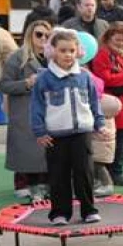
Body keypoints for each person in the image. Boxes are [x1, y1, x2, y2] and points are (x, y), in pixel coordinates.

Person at [31, 28, 104, 225]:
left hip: (82, 132)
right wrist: (39, 131)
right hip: (56, 135)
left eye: (71, 51)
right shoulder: (44, 79)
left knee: (85, 173)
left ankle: (89, 210)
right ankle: (59, 213)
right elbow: (36, 106)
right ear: (53, 51)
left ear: (77, 52)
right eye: (63, 50)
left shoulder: (84, 76)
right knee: (58, 175)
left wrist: (99, 122)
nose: (67, 55)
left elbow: (94, 101)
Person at [0, 20, 53, 201]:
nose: (43, 38)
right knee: (24, 147)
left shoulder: (53, 56)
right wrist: (27, 83)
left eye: (47, 35)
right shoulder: (17, 57)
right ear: (29, 35)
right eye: (39, 34)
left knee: (45, 147)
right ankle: (23, 183)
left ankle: (44, 183)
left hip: (48, 109)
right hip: (24, 109)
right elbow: (4, 85)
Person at [89, 22, 123, 187]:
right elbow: (103, 79)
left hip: (122, 104)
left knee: (120, 140)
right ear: (109, 37)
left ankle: (114, 171)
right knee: (112, 141)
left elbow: (120, 72)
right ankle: (113, 173)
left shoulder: (121, 55)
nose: (121, 43)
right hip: (110, 105)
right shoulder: (103, 54)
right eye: (118, 39)